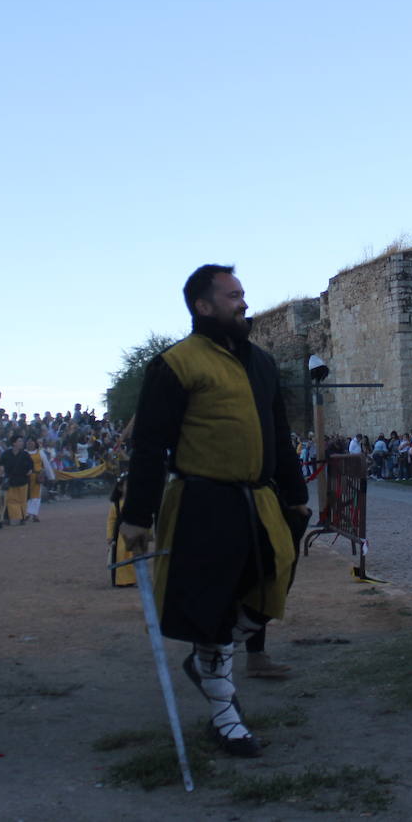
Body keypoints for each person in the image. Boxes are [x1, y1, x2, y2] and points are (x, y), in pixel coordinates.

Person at [118, 264, 310, 757]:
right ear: (204, 307)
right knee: (214, 604)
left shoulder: (263, 363)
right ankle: (225, 716)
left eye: (243, 294)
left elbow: (280, 437)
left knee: (275, 574)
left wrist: (295, 494)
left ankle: (207, 657)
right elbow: (149, 445)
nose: (242, 303)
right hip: (202, 502)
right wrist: (137, 513)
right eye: (233, 296)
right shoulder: (175, 364)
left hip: (260, 498)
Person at [0, 435, 33, 527]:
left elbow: (30, 466)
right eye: (19, 441)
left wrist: (29, 471)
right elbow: (1, 465)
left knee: (22, 500)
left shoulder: (25, 454)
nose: (21, 443)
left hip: (22, 480)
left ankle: (22, 518)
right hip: (11, 480)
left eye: (21, 441)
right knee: (10, 500)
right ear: (14, 443)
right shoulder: (6, 454)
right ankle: (8, 517)